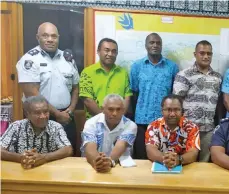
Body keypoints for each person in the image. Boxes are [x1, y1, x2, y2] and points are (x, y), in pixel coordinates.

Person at [16, 22, 79, 155]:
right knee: (39, 155)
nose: (50, 39)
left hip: (67, 117)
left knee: (68, 155)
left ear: (58, 38)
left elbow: (75, 87)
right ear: (37, 37)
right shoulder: (29, 60)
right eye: (45, 36)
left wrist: (71, 110)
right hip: (40, 117)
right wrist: (57, 113)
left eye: (54, 36)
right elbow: (31, 93)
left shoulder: (67, 59)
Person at [130, 33, 179, 159]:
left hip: (165, 121)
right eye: (152, 42)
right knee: (141, 157)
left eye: (158, 43)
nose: (155, 45)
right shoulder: (137, 66)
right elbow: (134, 92)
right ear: (146, 45)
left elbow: (174, 95)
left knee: (163, 158)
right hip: (142, 121)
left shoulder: (172, 67)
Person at [173, 40, 222, 162]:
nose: (206, 56)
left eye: (209, 54)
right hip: (187, 130)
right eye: (202, 53)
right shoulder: (184, 75)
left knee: (204, 165)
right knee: (186, 163)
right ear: (195, 54)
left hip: (208, 130)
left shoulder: (218, 77)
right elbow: (176, 103)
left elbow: (218, 103)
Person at [0, 95, 72, 169]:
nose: (43, 116)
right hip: (21, 170)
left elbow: (68, 150)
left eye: (46, 112)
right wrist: (21, 157)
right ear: (27, 114)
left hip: (48, 171)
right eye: (37, 113)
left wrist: (44, 157)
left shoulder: (55, 127)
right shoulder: (16, 126)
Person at [81, 94, 137, 173]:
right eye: (110, 109)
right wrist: (97, 163)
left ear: (123, 110)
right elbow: (90, 147)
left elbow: (121, 145)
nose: (114, 113)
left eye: (118, 109)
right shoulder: (91, 123)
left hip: (120, 167)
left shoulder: (130, 125)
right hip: (94, 165)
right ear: (103, 109)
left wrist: (109, 162)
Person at [79, 38, 132, 119]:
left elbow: (127, 98)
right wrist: (106, 119)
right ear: (98, 51)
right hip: (95, 123)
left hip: (119, 123)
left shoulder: (123, 73)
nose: (110, 54)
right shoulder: (87, 72)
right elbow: (87, 100)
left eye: (114, 51)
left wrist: (118, 118)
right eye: (106, 50)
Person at [145, 95, 200, 169]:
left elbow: (193, 153)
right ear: (162, 111)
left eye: (176, 110)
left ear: (182, 111)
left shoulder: (192, 127)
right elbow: (150, 150)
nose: (172, 114)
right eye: (168, 109)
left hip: (185, 167)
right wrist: (166, 159)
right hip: (160, 166)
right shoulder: (154, 126)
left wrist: (179, 160)